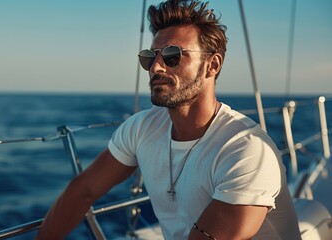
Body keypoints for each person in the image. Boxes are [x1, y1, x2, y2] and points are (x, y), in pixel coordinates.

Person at [36, 0, 301, 239]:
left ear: (213, 65)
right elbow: (83, 191)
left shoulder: (246, 150)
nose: (156, 67)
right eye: (150, 57)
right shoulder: (141, 129)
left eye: (173, 56)